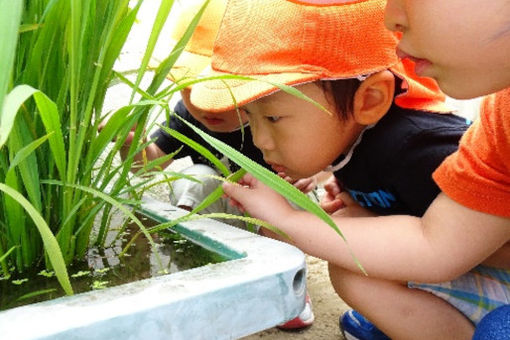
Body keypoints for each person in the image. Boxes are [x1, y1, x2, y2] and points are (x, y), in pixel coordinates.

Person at [190, 0, 510, 339]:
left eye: (273, 118)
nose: (260, 140)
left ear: (370, 101)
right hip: (453, 259)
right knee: (351, 259)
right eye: (250, 118)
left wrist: (292, 222)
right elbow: (444, 240)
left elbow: (458, 246)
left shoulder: (418, 149)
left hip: (487, 268)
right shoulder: (496, 121)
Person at [116, 0, 316, 330]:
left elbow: (322, 155)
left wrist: (310, 173)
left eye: (224, 87)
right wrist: (132, 146)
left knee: (274, 187)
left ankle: (285, 289)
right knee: (194, 175)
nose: (206, 102)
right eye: (194, 86)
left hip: (277, 214)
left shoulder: (275, 113)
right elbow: (151, 167)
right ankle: (205, 271)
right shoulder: (187, 115)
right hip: (220, 217)